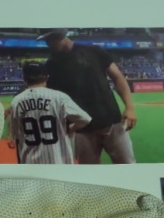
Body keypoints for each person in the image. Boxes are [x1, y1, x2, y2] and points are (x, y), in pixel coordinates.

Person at [37, 28, 137, 165]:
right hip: (81, 130)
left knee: (128, 166)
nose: (47, 44)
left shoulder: (94, 51)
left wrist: (129, 107)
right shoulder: (51, 65)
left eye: (49, 40)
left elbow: (118, 77)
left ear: (59, 36)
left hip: (112, 122)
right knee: (90, 173)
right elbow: (51, 97)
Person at [8, 62, 91, 164]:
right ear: (47, 77)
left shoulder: (17, 101)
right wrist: (71, 129)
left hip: (30, 163)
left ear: (24, 79)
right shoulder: (60, 97)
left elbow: (14, 134)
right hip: (58, 160)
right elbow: (85, 118)